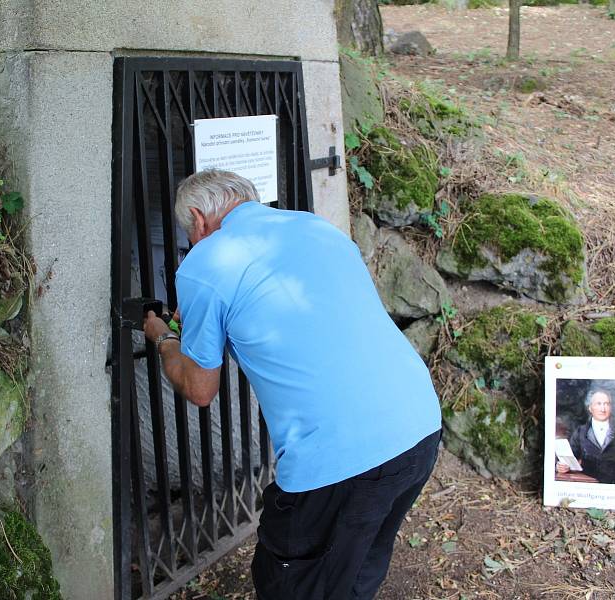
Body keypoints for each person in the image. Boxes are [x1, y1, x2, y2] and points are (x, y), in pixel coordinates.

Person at [143, 169, 442, 600]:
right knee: (357, 570)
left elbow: (199, 388)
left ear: (198, 217)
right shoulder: (315, 226)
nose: (192, 241)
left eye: (189, 232)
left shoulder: (205, 265)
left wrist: (165, 339)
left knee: (291, 583)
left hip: (341, 460)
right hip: (419, 427)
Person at [556, 390, 615, 486]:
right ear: (590, 408)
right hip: (590, 487)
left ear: (610, 408)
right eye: (598, 404)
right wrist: (562, 466)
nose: (603, 409)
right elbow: (569, 459)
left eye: (606, 404)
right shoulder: (580, 432)